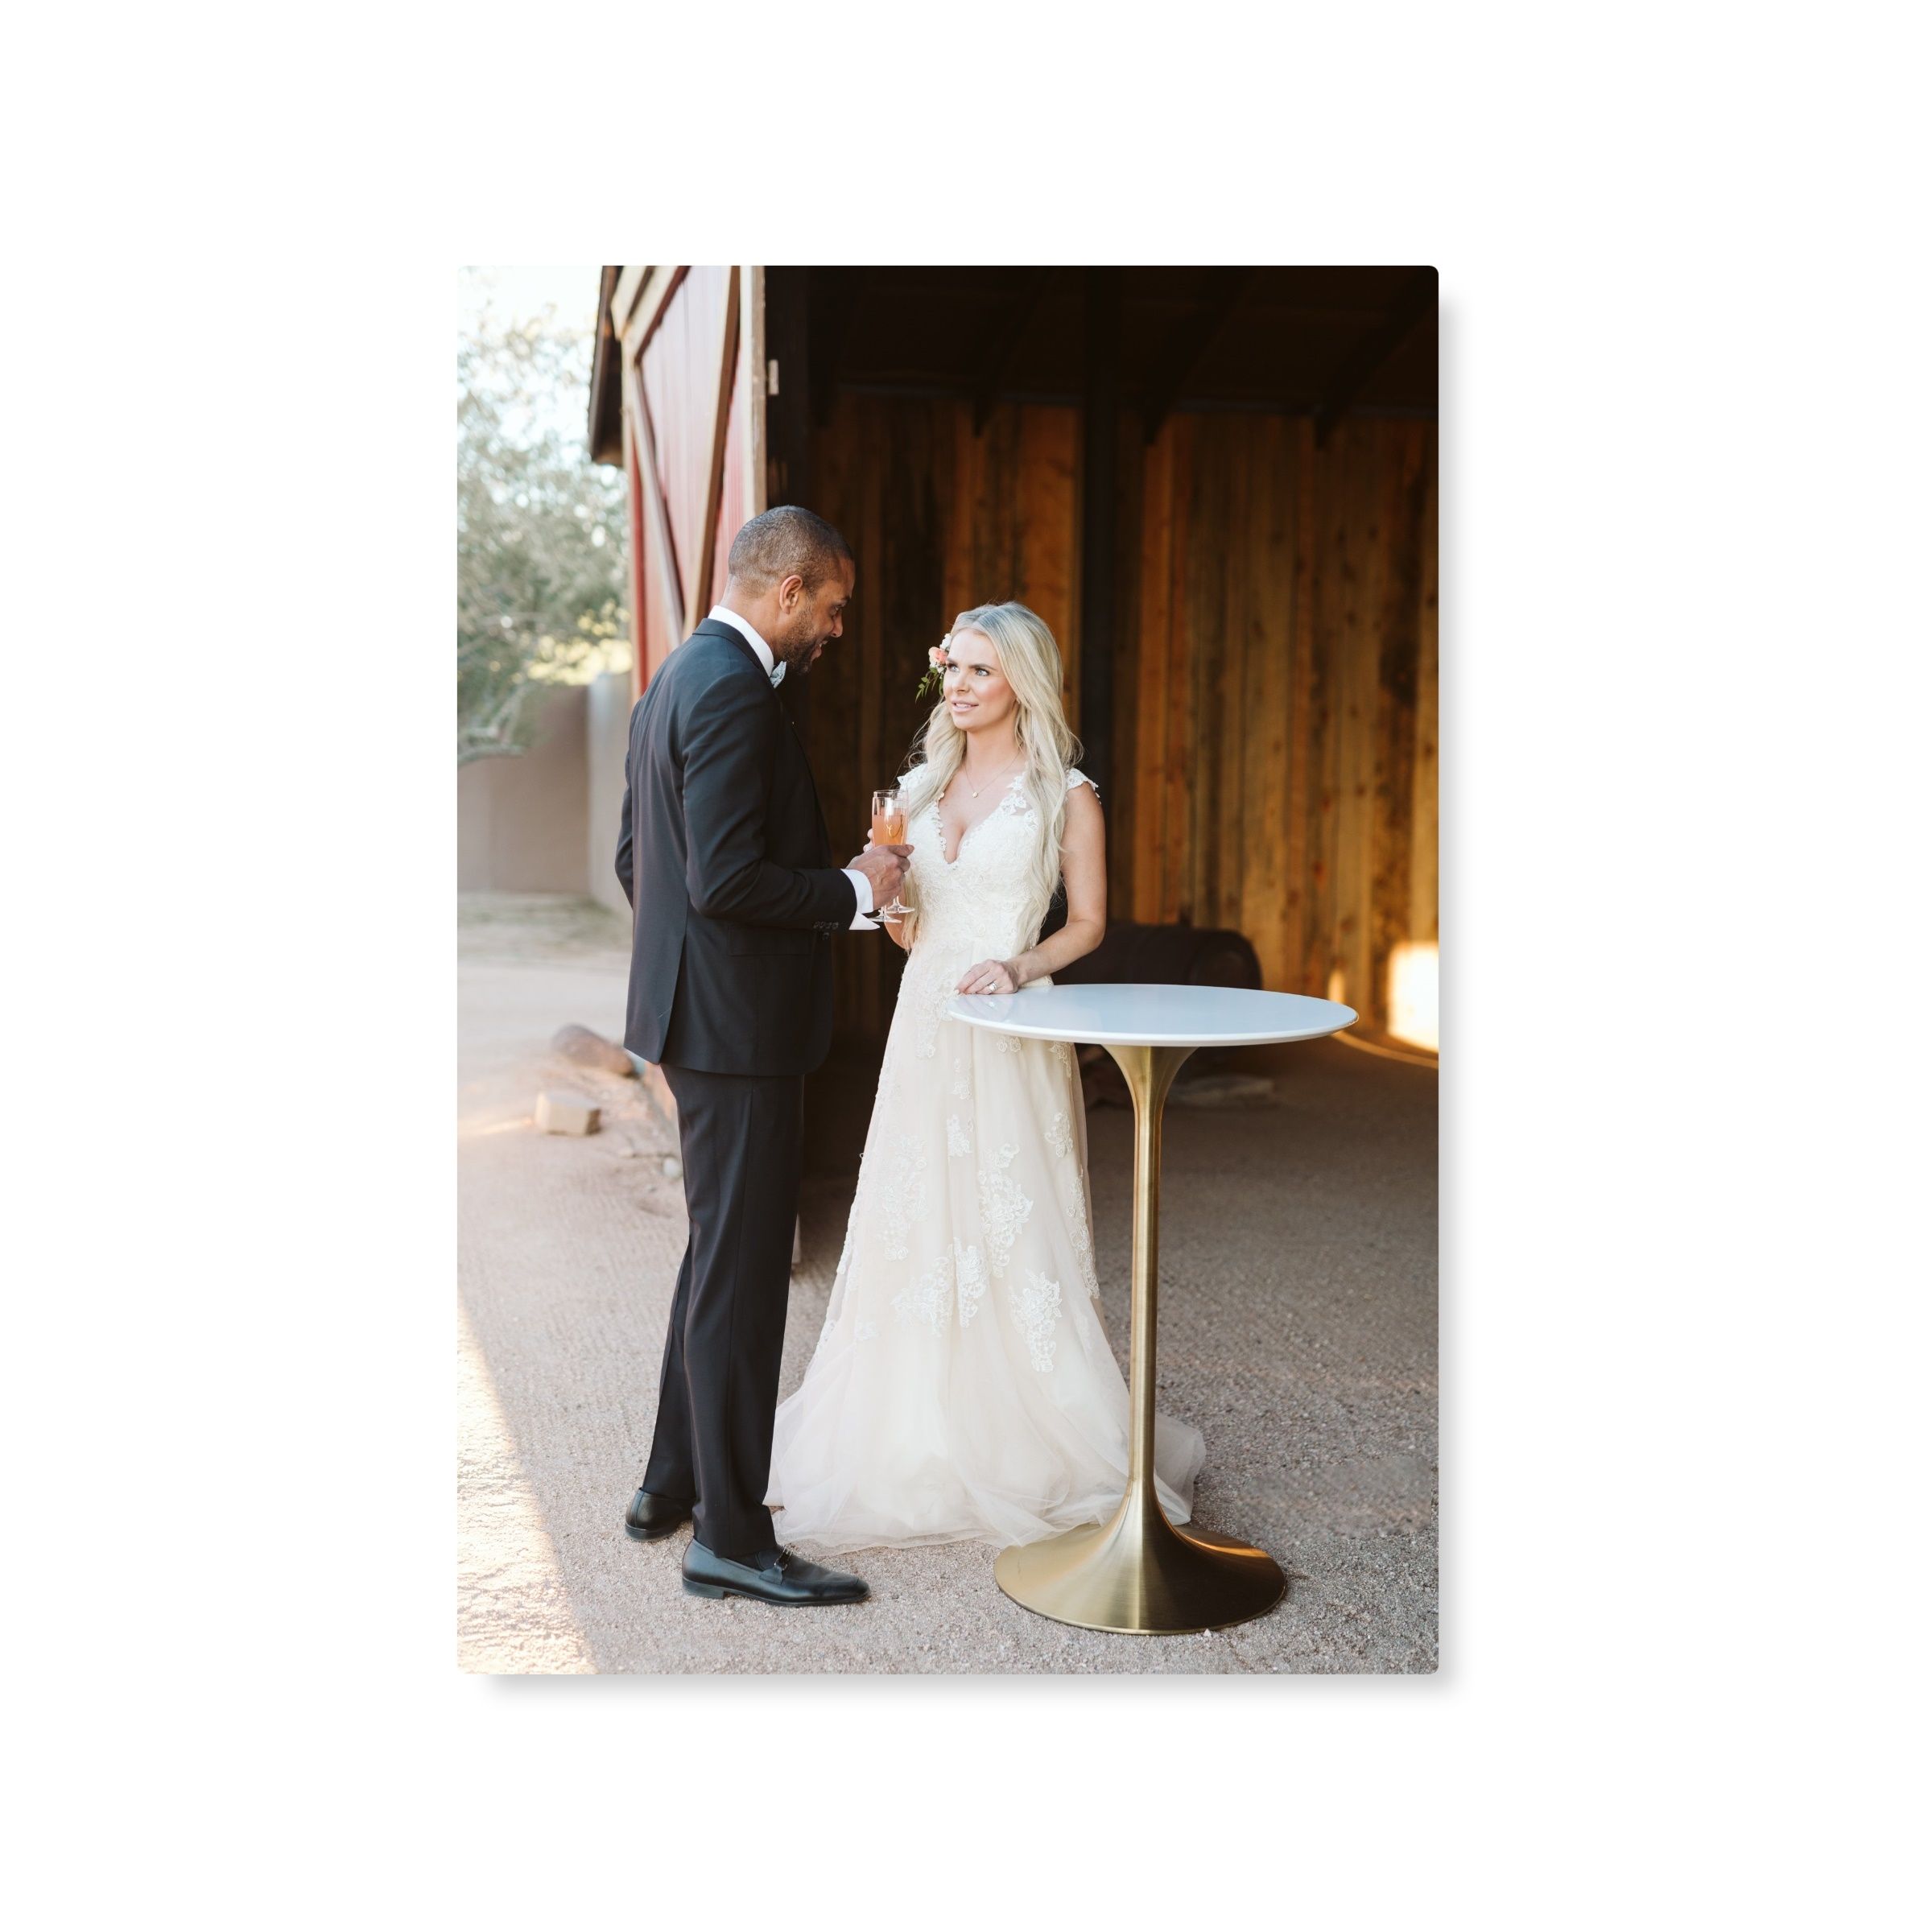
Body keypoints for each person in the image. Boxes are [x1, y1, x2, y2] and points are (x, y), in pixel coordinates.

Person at [766, 602, 1204, 1552]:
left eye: (980, 672)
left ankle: (1029, 1429)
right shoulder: (917, 788)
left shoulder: (1065, 795)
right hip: (926, 1020)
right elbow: (909, 924)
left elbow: (1088, 925)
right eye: (953, 669)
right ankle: (910, 1426)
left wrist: (1017, 964)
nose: (959, 688)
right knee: (915, 1210)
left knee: (1013, 1216)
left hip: (1009, 1021)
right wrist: (889, 906)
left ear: (1021, 685)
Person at [614, 506, 910, 1608]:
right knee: (741, 1285)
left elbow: (637, 859)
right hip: (738, 1034)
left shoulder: (674, 679)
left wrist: (686, 971)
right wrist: (850, 892)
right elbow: (725, 878)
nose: (835, 629)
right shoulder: (735, 688)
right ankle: (732, 1541)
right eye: (831, 607)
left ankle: (671, 1482)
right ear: (788, 591)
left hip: (699, 1022)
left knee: (717, 1261)